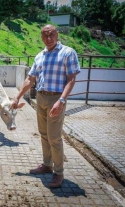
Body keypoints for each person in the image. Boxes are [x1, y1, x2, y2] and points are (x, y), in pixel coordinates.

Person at [11, 24, 80, 188]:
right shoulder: (40, 56)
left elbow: (71, 79)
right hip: (41, 98)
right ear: (41, 37)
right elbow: (30, 79)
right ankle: (47, 165)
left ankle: (59, 172)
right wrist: (17, 97)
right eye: (45, 36)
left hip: (56, 99)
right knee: (43, 134)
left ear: (57, 34)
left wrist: (61, 100)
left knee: (54, 138)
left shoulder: (68, 53)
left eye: (51, 35)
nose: (48, 39)